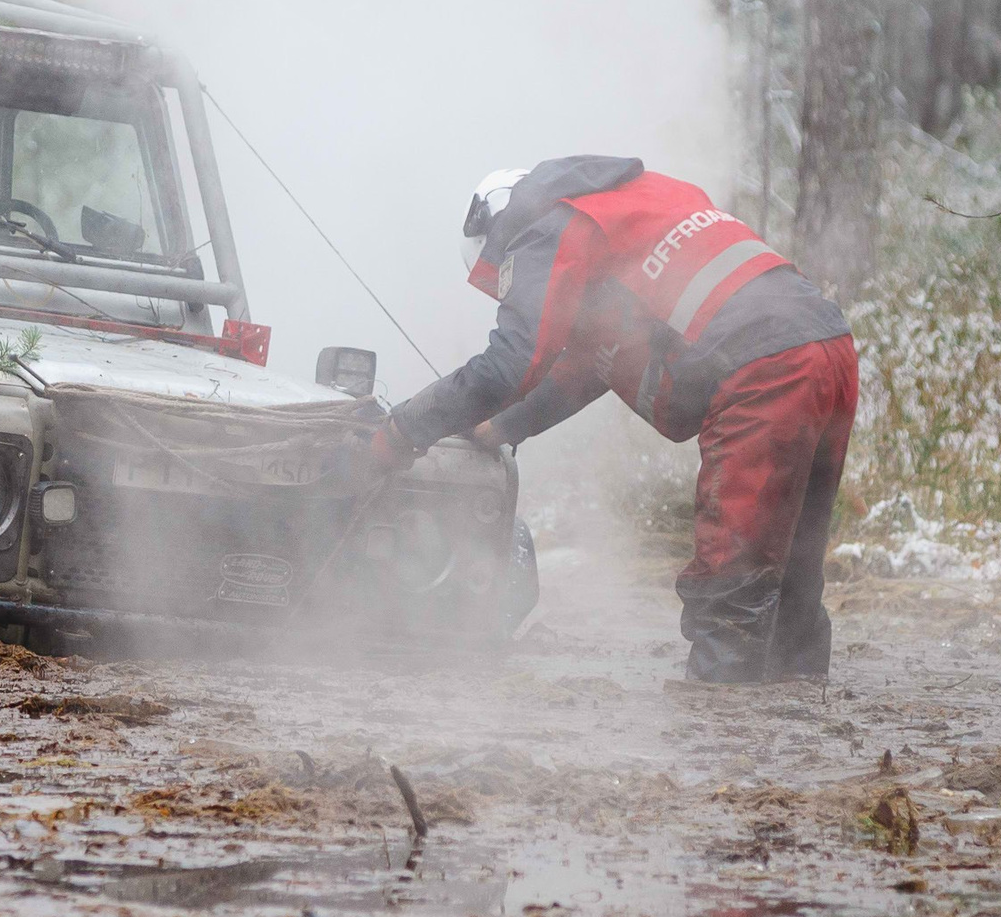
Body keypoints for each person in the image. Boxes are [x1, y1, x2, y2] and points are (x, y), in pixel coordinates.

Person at [366, 157, 857, 684]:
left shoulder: (546, 226)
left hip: (763, 369)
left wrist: (402, 431)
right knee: (794, 578)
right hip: (829, 347)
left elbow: (510, 362)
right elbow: (594, 363)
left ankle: (724, 737)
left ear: (502, 233)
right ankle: (803, 729)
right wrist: (506, 426)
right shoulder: (635, 202)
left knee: (731, 585)